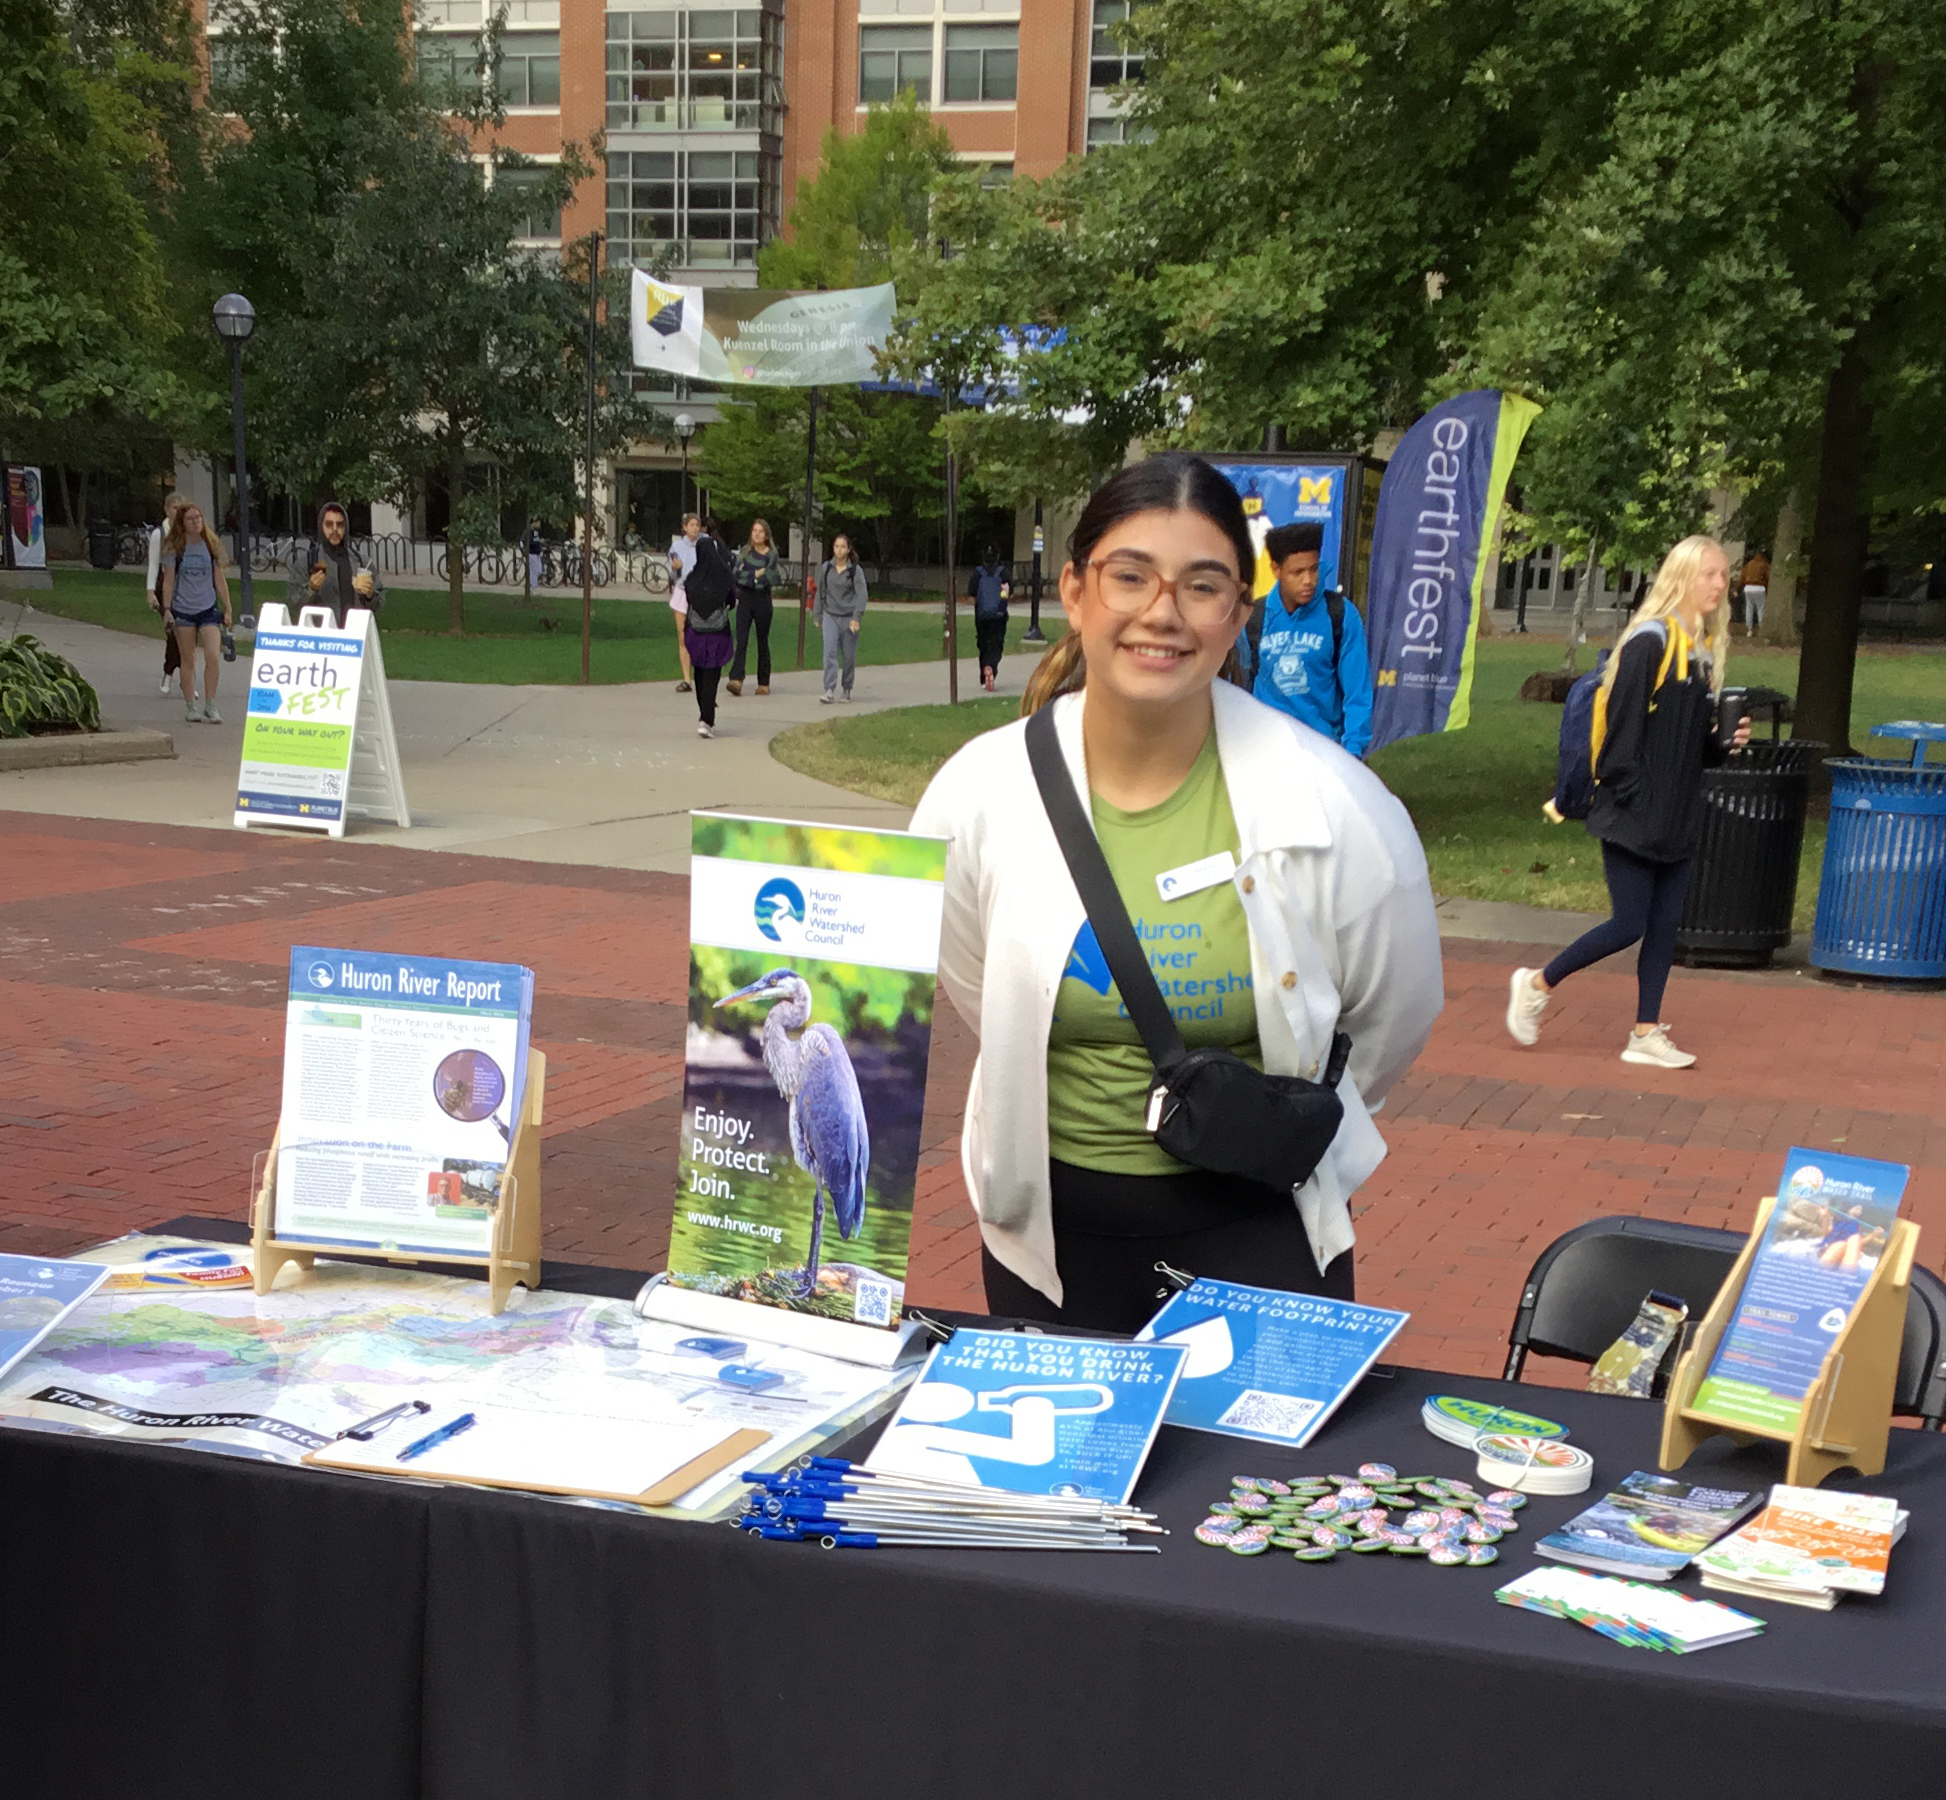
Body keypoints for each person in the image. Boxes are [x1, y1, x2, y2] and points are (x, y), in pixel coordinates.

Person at [908, 454, 1443, 1333]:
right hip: (1054, 1250)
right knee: (1066, 1470)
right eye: (1130, 577)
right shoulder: (980, 794)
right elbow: (977, 980)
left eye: (1203, 586)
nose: (1163, 612)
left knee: (1251, 1478)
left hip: (1261, 1236)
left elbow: (1394, 1014)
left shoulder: (1335, 807)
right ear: (1077, 591)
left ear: (1239, 613)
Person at [1506, 535, 1751, 1069]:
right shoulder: (1649, 643)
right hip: (1632, 813)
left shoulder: (1701, 651)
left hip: (1678, 814)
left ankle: (1645, 1033)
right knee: (1630, 923)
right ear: (1681, 577)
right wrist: (1638, 797)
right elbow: (1620, 739)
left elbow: (1690, 749)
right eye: (1710, 573)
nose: (1720, 584)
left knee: (1665, 926)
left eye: (1723, 574)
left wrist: (1723, 743)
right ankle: (1537, 982)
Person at [1250, 521, 1373, 757]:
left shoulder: (1340, 614)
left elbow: (1358, 693)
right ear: (1276, 570)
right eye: (1297, 572)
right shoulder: (1254, 617)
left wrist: (1352, 754)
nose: (1308, 580)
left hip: (1324, 753)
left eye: (1313, 569)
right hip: (1266, 754)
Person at [157, 501, 234, 724]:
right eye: (190, 519)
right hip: (183, 610)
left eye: (198, 518)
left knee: (213, 656)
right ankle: (191, 705)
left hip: (208, 607)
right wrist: (167, 609)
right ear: (182, 523)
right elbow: (169, 581)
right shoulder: (175, 549)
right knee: (188, 659)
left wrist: (227, 607)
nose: (196, 522)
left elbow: (219, 579)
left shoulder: (210, 545)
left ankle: (211, 704)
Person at [683, 516, 737, 737]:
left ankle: (703, 714)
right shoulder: (724, 576)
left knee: (699, 672)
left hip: (696, 632)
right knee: (712, 674)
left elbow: (688, 598)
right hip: (717, 632)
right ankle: (707, 718)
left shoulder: (692, 578)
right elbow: (732, 600)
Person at [300, 501, 383, 627]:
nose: (335, 529)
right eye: (329, 524)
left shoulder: (362, 562)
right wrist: (310, 589)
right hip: (321, 638)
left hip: (354, 636)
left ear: (346, 528)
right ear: (321, 527)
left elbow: (378, 605)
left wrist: (369, 595)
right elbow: (293, 605)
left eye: (340, 525)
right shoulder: (307, 561)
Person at [727, 518, 780, 697]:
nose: (757, 534)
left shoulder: (771, 555)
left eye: (761, 531)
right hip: (745, 599)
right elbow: (735, 574)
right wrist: (754, 575)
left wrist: (751, 580)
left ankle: (763, 682)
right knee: (741, 640)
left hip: (762, 600)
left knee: (762, 640)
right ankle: (736, 679)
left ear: (766, 535)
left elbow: (770, 579)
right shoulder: (745, 552)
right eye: (754, 530)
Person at [816, 533, 868, 703]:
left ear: (848, 549)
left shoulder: (855, 571)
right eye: (836, 546)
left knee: (848, 656)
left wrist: (856, 617)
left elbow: (862, 595)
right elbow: (820, 592)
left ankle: (846, 688)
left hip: (848, 618)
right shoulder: (826, 568)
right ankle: (829, 689)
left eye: (843, 547)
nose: (839, 550)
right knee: (829, 652)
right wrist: (817, 614)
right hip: (830, 615)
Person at [146, 492, 187, 694]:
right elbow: (154, 564)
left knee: (186, 634)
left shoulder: (189, 533)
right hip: (166, 586)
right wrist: (150, 591)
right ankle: (170, 671)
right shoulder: (159, 534)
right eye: (174, 508)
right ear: (167, 509)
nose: (177, 512)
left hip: (187, 587)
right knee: (175, 631)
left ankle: (180, 676)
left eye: (181, 508)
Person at [969, 547, 1011, 692]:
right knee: (996, 643)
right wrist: (1002, 599)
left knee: (983, 644)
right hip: (999, 615)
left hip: (981, 615)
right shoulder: (1003, 572)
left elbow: (972, 592)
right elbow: (1008, 590)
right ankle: (991, 666)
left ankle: (983, 674)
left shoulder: (978, 573)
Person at [668, 513, 701, 692]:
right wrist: (675, 568)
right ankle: (687, 679)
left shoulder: (705, 545)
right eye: (691, 525)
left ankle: (702, 675)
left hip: (698, 594)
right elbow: (672, 574)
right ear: (685, 527)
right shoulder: (677, 546)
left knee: (699, 635)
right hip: (682, 591)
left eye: (697, 525)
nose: (694, 528)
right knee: (683, 636)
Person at [1740, 548, 1770, 635]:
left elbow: (1742, 577)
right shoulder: (1764, 565)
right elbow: (1768, 577)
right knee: (1760, 609)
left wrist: (1738, 587)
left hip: (1748, 588)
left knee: (1749, 608)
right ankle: (1761, 628)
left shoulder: (1748, 564)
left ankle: (1749, 630)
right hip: (1760, 588)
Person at [526, 518, 545, 593]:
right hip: (532, 552)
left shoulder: (536, 531)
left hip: (537, 553)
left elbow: (536, 540)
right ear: (534, 522)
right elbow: (530, 542)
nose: (539, 525)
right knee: (533, 570)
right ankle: (532, 586)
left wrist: (539, 542)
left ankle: (533, 584)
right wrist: (538, 541)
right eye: (538, 523)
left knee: (539, 570)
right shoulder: (530, 531)